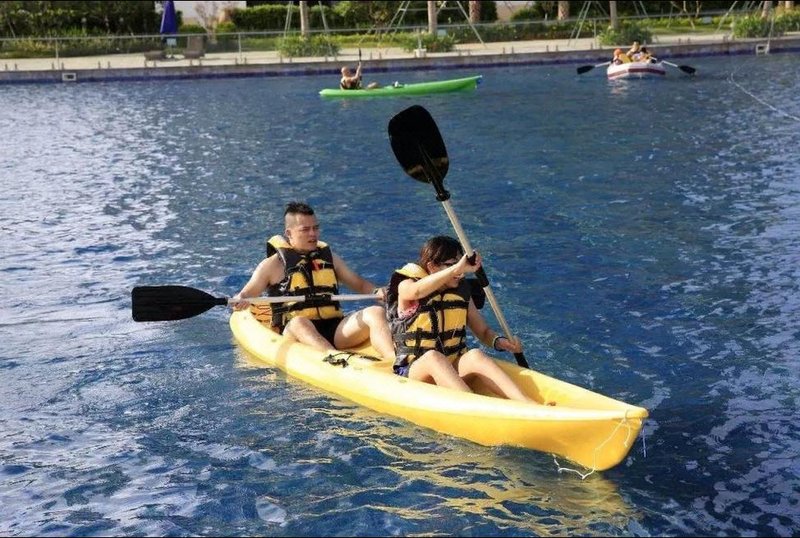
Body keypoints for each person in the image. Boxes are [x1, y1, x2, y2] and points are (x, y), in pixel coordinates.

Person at [386, 235, 541, 403]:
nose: (460, 272)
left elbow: (483, 331)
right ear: (431, 266)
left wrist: (500, 342)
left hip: (452, 365)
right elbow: (416, 292)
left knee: (475, 355)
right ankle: (474, 406)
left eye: (460, 264)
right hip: (414, 371)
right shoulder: (406, 285)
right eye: (451, 264)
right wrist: (456, 269)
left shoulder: (460, 292)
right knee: (434, 357)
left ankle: (526, 403)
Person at [232, 202, 394, 359]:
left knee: (375, 312)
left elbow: (359, 284)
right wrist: (241, 298)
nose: (313, 234)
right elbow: (248, 293)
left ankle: (394, 360)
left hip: (334, 329)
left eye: (316, 228)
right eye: (305, 229)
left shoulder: (329, 258)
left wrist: (377, 292)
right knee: (299, 322)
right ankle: (336, 359)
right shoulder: (273, 265)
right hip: (294, 331)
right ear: (289, 233)